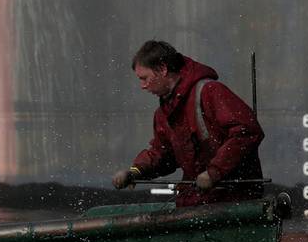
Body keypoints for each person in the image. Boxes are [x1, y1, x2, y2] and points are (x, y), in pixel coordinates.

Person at [112, 40, 264, 206]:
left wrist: (214, 172)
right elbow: (163, 154)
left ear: (162, 69)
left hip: (237, 203)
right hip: (199, 203)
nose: (142, 86)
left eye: (144, 78)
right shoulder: (164, 113)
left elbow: (247, 131)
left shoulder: (210, 92)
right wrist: (135, 172)